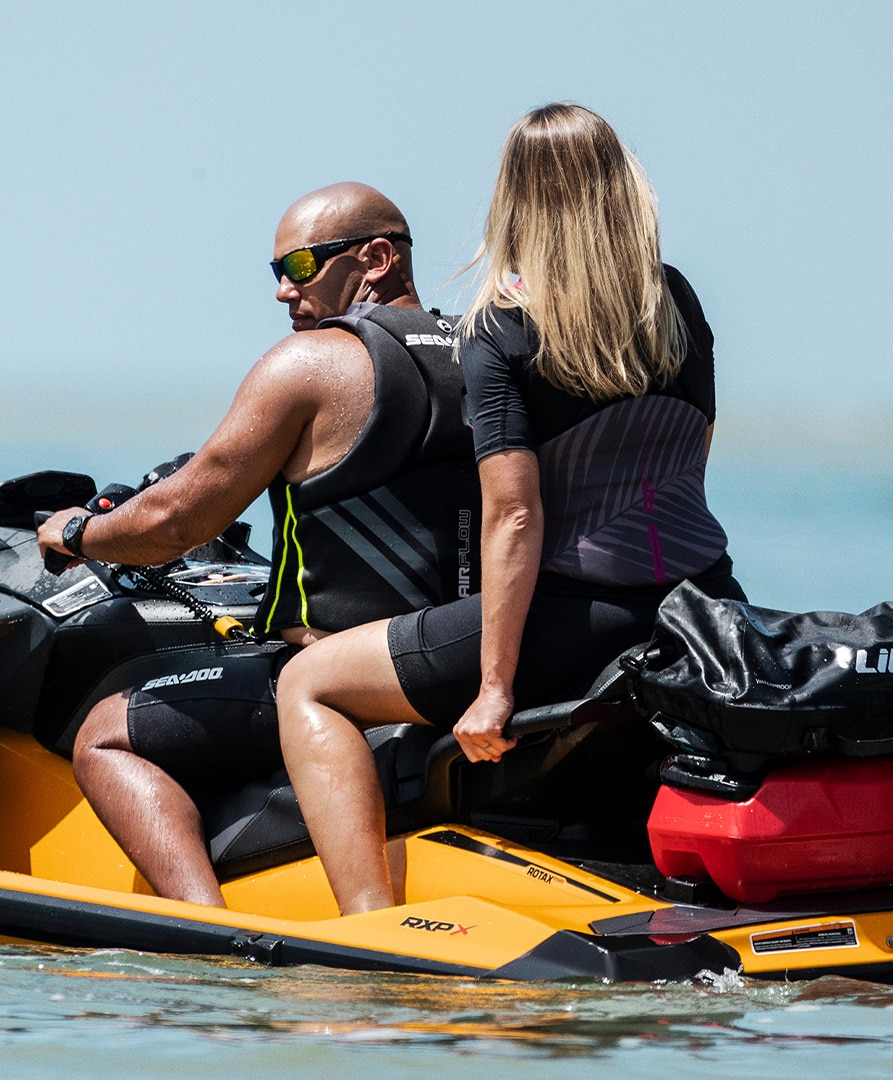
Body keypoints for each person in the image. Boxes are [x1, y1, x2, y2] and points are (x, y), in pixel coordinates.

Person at [275, 103, 748, 916]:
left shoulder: (502, 327)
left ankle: (369, 928)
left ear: (518, 201)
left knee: (310, 685)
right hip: (705, 608)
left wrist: (495, 686)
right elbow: (688, 462)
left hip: (576, 622)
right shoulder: (676, 305)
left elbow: (515, 517)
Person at [36, 183, 480, 907]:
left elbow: (177, 523)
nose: (282, 291)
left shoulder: (313, 364)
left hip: (336, 673)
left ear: (375, 258)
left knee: (105, 733)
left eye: (301, 265)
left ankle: (204, 934)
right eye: (274, 269)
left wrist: (81, 532)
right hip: (455, 661)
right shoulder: (484, 353)